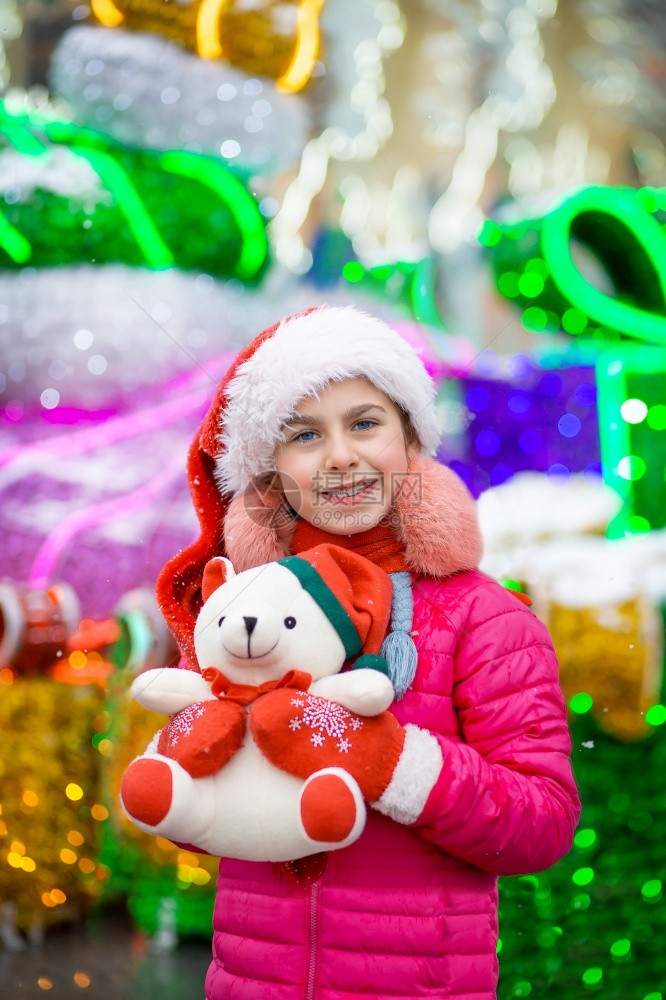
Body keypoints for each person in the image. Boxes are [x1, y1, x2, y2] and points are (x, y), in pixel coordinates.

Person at [156, 304, 581, 1000]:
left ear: (410, 435)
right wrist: (196, 760)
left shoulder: (485, 618)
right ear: (270, 468)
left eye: (364, 422)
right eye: (304, 434)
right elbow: (196, 829)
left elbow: (541, 823)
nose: (341, 457)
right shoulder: (239, 615)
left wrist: (392, 763)